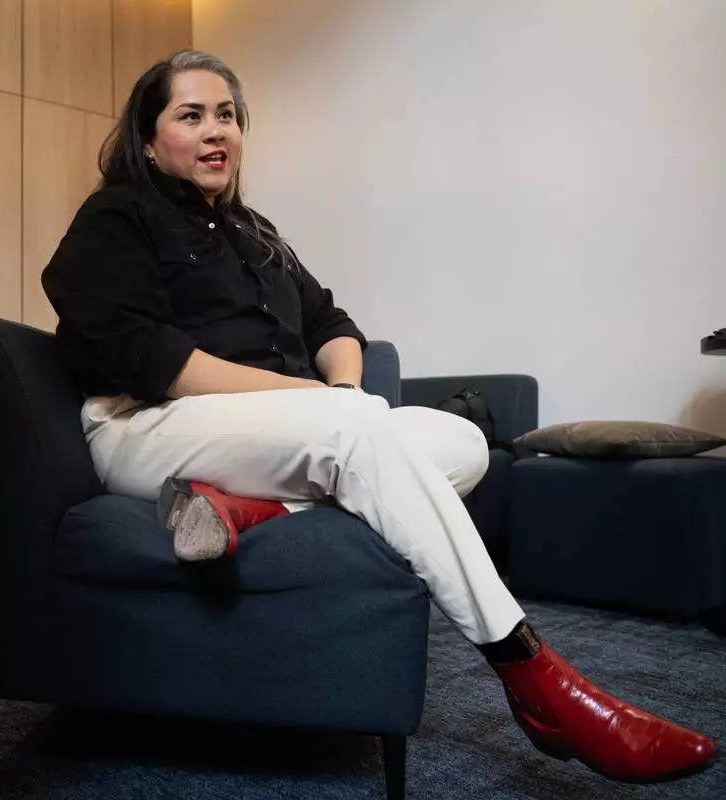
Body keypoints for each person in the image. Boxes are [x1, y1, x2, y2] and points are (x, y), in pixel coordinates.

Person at [40, 49, 716, 784]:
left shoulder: (253, 232)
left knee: (462, 442)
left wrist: (347, 389)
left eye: (228, 116)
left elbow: (335, 324)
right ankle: (536, 676)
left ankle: (246, 509)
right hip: (149, 426)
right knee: (357, 433)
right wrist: (325, 405)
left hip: (266, 437)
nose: (216, 132)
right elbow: (156, 360)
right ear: (147, 139)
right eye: (190, 115)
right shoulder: (118, 215)